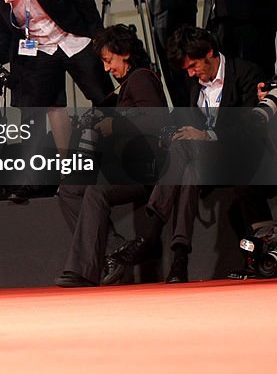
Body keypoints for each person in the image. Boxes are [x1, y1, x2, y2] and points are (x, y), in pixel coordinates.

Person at [110, 27, 265, 282]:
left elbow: (251, 129)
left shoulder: (246, 73)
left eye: (193, 65)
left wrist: (207, 136)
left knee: (186, 154)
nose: (191, 73)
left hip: (243, 158)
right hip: (205, 162)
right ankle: (179, 258)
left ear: (210, 52)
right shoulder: (194, 84)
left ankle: (152, 236)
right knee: (185, 158)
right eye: (187, 69)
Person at [0, 0, 113, 202]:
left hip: (72, 37)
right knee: (34, 108)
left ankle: (116, 163)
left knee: (103, 96)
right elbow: (1, 30)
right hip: (37, 49)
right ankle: (42, 178)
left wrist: (98, 36)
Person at [55, 24, 166, 288]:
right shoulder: (131, 83)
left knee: (96, 190)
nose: (106, 68)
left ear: (124, 52)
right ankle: (115, 251)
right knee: (69, 189)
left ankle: (83, 270)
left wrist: (114, 124)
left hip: (146, 169)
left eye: (108, 60)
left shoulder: (141, 78)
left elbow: (155, 121)